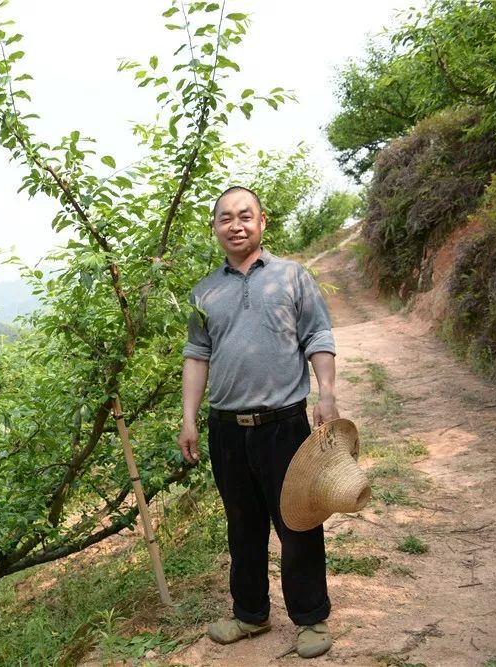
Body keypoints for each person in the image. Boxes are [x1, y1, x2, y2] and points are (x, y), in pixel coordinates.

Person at [177, 186, 339, 659]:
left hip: (284, 424)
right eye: (225, 218)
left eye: (244, 216)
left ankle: (310, 618)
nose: (235, 225)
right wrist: (190, 418)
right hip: (226, 429)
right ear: (215, 228)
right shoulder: (204, 291)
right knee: (242, 524)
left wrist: (326, 395)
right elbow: (196, 355)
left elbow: (318, 334)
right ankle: (250, 614)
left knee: (298, 522)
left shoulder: (292, 277)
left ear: (262, 222)